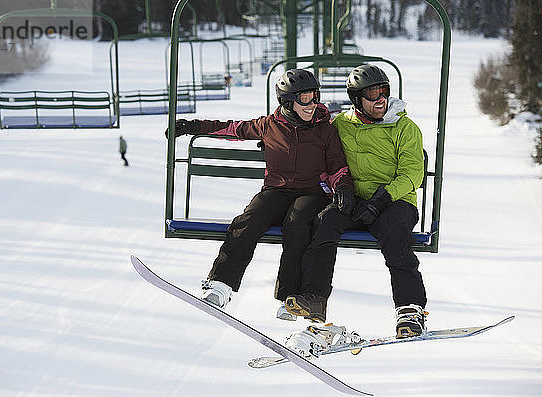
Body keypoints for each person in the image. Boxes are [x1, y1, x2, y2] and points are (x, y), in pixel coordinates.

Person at [168, 69, 355, 321]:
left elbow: (336, 163)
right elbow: (232, 129)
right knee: (247, 221)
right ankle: (221, 284)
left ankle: (289, 297)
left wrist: (342, 186)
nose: (312, 104)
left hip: (312, 192)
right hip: (276, 190)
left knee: (297, 226)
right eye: (304, 99)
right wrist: (195, 126)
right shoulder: (269, 126)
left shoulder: (325, 129)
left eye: (314, 96)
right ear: (288, 101)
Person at [284, 64, 427, 338]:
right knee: (324, 222)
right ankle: (315, 295)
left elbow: (412, 174)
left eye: (384, 92)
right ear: (356, 100)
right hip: (356, 200)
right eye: (372, 95)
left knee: (395, 236)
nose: (381, 99)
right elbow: (323, 154)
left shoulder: (404, 127)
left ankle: (410, 308)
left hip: (395, 200)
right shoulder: (341, 125)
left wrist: (382, 199)